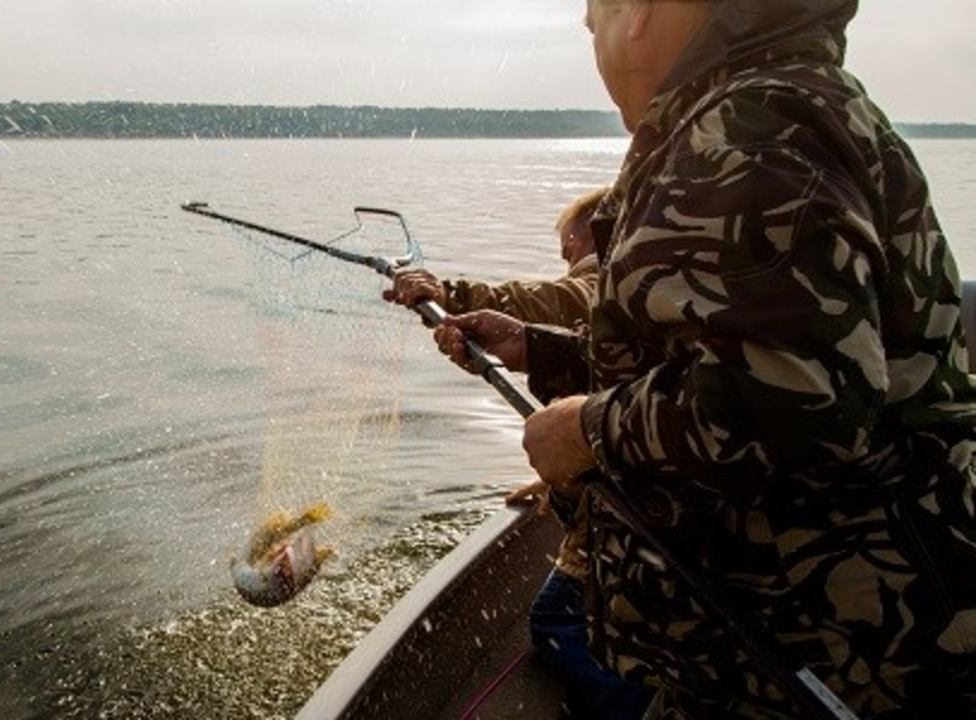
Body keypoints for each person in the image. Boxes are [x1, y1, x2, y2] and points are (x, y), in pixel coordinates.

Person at [434, 0, 976, 717]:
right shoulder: (774, 102)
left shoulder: (750, 128)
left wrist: (584, 431)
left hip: (827, 655)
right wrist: (536, 348)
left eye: (593, 25)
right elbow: (724, 353)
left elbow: (795, 400)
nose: (594, 49)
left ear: (639, 13)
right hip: (777, 645)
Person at [386, 188, 653, 719]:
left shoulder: (606, 272)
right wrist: (561, 479)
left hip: (635, 530)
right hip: (632, 477)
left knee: (554, 619)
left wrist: (450, 293)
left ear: (586, 232)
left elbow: (562, 298)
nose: (564, 257)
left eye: (565, 244)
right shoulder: (653, 287)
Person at [384, 186, 604, 327]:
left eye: (568, 254)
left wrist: (452, 297)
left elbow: (568, 299)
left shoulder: (608, 282)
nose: (569, 271)